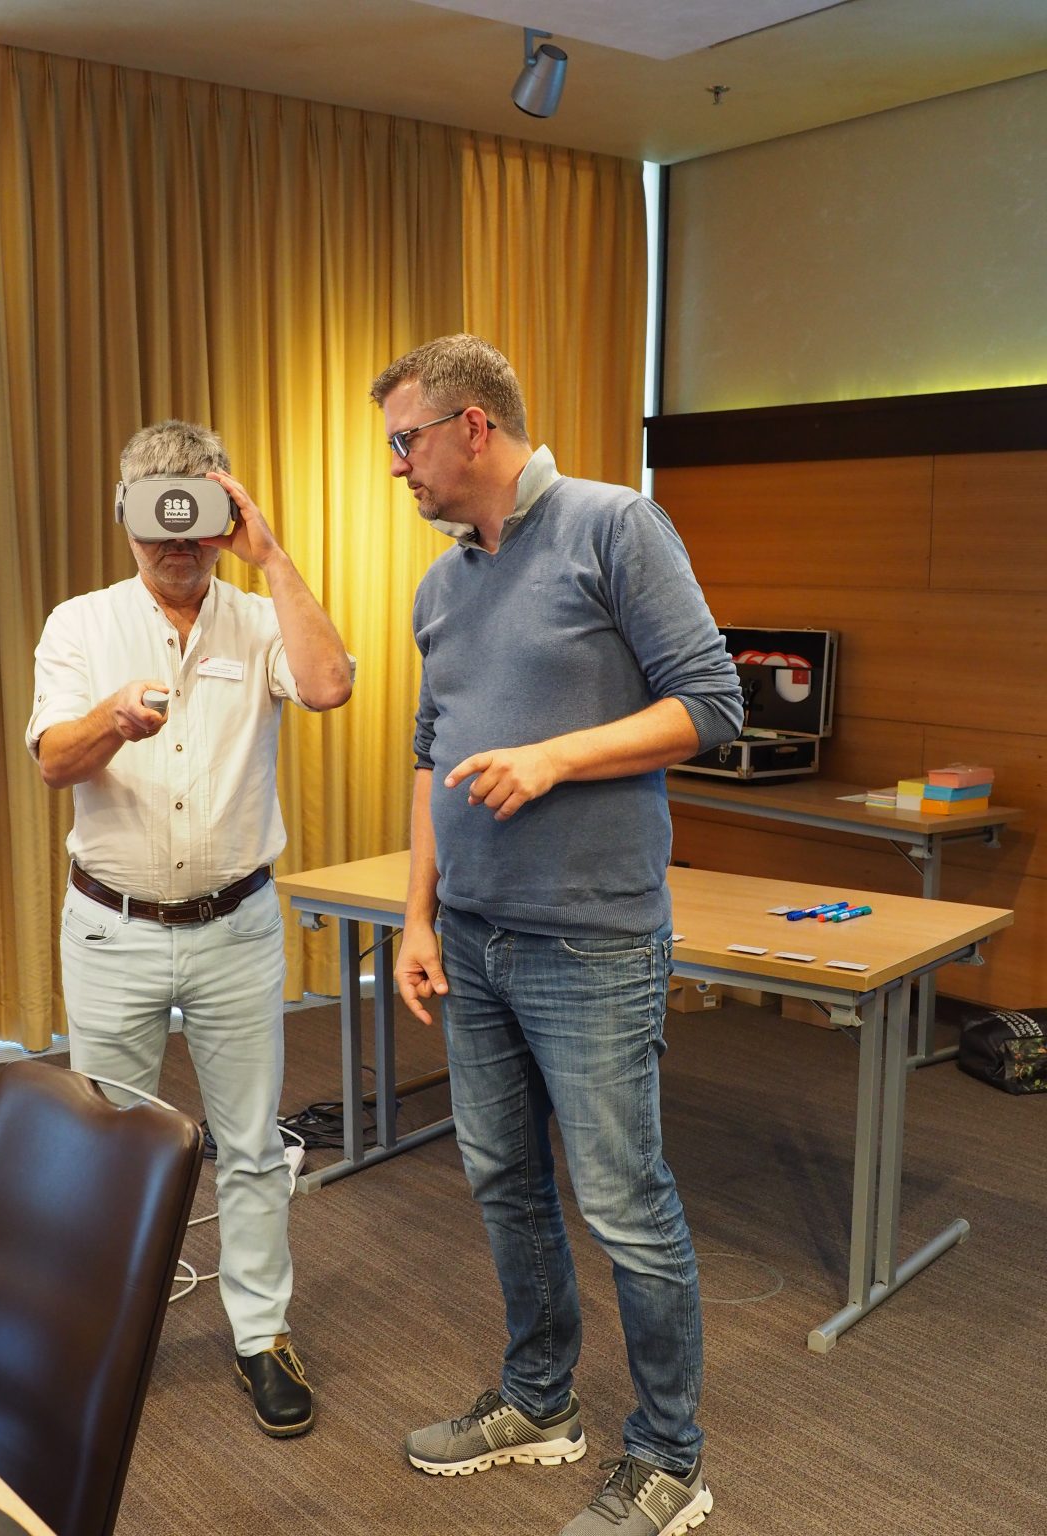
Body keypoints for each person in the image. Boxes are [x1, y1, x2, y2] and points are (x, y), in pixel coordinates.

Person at [371, 337, 743, 1536]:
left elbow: (713, 703)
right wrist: (417, 917)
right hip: (472, 941)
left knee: (625, 1204)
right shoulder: (441, 587)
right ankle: (540, 1402)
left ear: (473, 426)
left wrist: (556, 758)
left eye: (406, 441)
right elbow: (429, 757)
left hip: (592, 942)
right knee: (503, 1181)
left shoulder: (613, 525)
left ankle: (671, 1459)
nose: (398, 467)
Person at [26, 419, 353, 1439]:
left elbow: (331, 685)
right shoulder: (82, 624)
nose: (178, 545)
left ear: (222, 516)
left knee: (250, 1146)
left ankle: (261, 1333)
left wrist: (273, 555)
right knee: (109, 1145)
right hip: (112, 929)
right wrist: (110, 719)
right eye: (157, 522)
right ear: (126, 517)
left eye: (197, 520)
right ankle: (102, 1332)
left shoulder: (258, 621)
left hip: (235, 928)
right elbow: (54, 760)